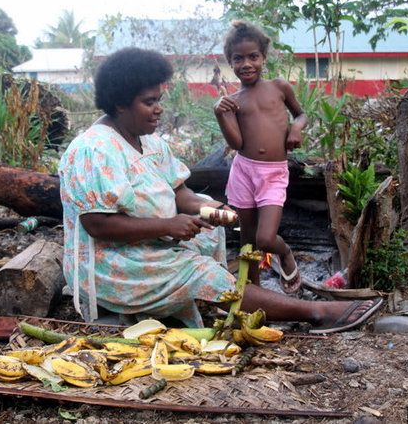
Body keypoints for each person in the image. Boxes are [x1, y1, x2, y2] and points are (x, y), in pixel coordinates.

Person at [58, 46, 382, 333]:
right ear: (119, 104)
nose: (159, 109)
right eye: (149, 102)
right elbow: (96, 224)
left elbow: (180, 195)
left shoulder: (151, 144)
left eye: (159, 99)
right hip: (111, 265)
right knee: (197, 271)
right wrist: (167, 225)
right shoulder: (93, 150)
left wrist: (211, 207)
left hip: (148, 247)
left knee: (210, 232)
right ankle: (316, 312)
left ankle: (221, 298)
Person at [214, 21, 306, 294]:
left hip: (273, 173)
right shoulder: (233, 100)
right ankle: (254, 290)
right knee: (247, 239)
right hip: (243, 171)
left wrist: (296, 129)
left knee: (265, 238)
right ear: (230, 63)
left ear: (263, 57)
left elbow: (300, 114)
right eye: (238, 59)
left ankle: (285, 252)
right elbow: (237, 143)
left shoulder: (279, 87)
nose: (246, 64)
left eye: (253, 56)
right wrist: (220, 114)